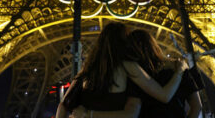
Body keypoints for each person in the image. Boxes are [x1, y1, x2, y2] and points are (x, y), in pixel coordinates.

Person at [56, 22, 187, 118]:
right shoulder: (128, 66)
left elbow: (64, 104)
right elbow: (164, 96)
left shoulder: (88, 67)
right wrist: (179, 72)